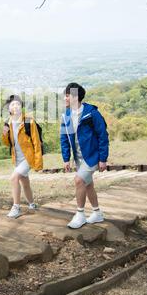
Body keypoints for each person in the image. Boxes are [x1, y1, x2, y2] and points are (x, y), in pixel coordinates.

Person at [60, 82, 109, 229]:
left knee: (79, 181)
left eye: (67, 96)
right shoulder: (66, 116)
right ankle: (97, 213)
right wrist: (66, 158)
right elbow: (64, 138)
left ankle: (80, 215)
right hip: (78, 158)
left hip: (92, 155)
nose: (65, 99)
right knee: (88, 185)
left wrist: (103, 159)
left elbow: (103, 136)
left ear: (75, 97)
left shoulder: (92, 113)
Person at [2, 95, 43, 218]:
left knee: (14, 178)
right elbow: (7, 143)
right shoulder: (7, 123)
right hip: (17, 158)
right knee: (25, 182)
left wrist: (38, 162)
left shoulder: (28, 121)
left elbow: (36, 142)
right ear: (9, 108)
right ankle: (32, 204)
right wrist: (4, 134)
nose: (15, 106)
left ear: (21, 107)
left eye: (18, 104)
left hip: (28, 158)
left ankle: (16, 207)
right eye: (13, 104)